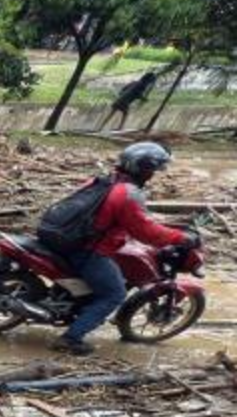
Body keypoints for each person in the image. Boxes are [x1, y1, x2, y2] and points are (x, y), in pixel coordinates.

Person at [50, 142, 199, 355]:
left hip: (64, 238)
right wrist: (179, 237)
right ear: (144, 169)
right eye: (152, 170)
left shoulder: (102, 180)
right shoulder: (127, 194)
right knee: (114, 294)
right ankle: (71, 338)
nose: (153, 175)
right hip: (86, 250)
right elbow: (147, 233)